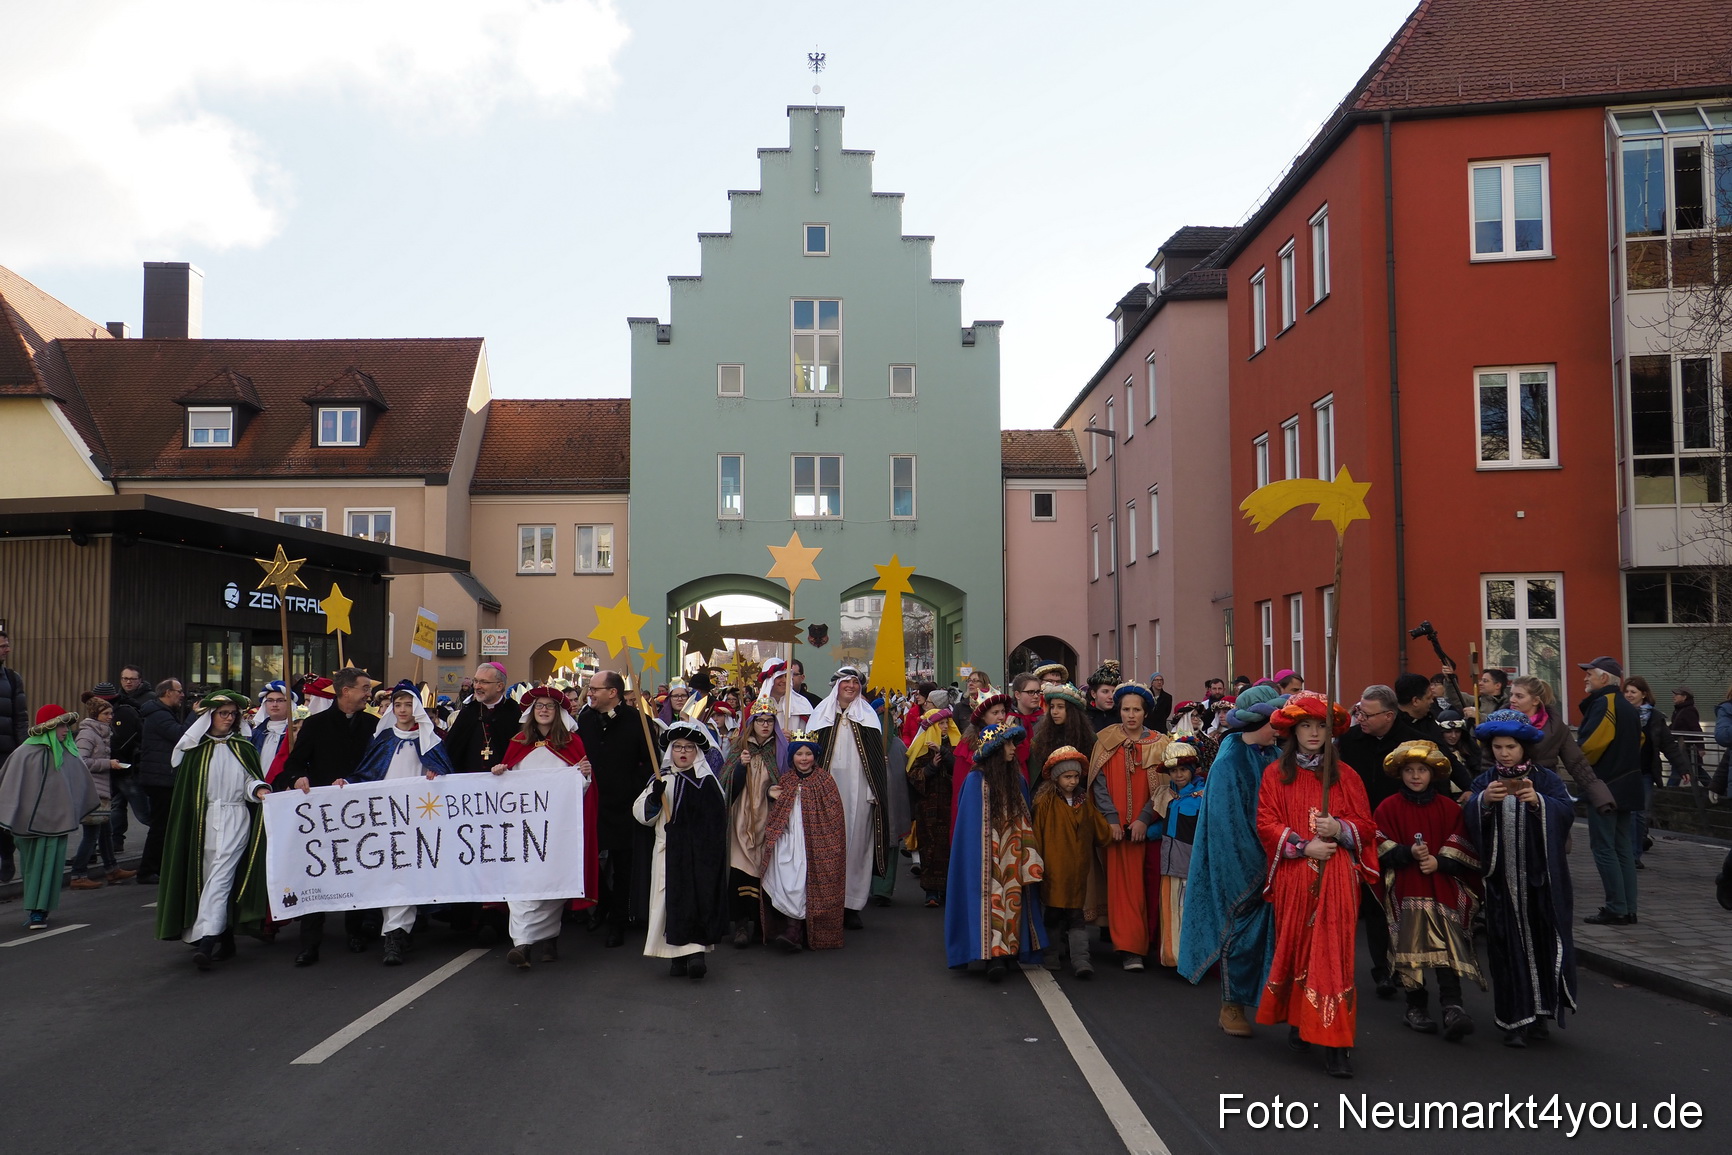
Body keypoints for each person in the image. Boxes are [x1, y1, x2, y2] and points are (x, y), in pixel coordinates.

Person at [1256, 691, 1377, 1079]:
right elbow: (1265, 822)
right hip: (1295, 877)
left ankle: (1337, 1044)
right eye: (1305, 726)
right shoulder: (1275, 774)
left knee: (1333, 956)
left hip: (1336, 877)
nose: (1312, 733)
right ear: (1293, 731)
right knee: (1298, 949)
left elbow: (1368, 826)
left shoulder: (1347, 776)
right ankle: (1299, 1019)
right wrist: (1302, 843)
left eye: (1320, 726)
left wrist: (1340, 829)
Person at [1463, 710, 1577, 1046]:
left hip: (1540, 884)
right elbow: (1467, 822)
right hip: (1500, 885)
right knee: (1506, 950)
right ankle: (1515, 1020)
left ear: (1524, 747)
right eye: (1497, 746)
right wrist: (1482, 804)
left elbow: (1567, 812)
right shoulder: (1484, 782)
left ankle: (1540, 1014)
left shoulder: (1545, 780)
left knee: (1542, 945)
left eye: (1510, 746)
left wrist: (1540, 803)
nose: (1503, 753)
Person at [1178, 685, 1285, 1037]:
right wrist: (1259, 866)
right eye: (1275, 723)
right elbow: (1227, 826)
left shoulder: (1273, 754)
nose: (1281, 730)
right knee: (1238, 934)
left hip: (1277, 860)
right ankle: (1231, 1005)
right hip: (1244, 865)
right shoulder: (1231, 760)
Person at [1373, 740, 1483, 1041]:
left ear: (1433, 773)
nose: (1416, 776)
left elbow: (1462, 842)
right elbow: (1378, 844)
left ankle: (1453, 1006)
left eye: (1422, 770)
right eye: (1409, 770)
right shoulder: (1388, 807)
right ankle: (1415, 1007)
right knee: (1411, 949)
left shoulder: (1448, 808)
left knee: (1446, 947)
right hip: (1406, 889)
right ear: (1400, 773)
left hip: (1440, 889)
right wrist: (1407, 852)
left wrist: (1440, 861)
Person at [155, 691, 272, 969]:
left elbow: (249, 781)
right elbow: (188, 789)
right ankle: (226, 938)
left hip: (235, 818)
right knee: (208, 876)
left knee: (220, 876)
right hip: (203, 820)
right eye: (224, 713)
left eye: (233, 714)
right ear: (210, 716)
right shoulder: (197, 751)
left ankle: (206, 940)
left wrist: (259, 788)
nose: (229, 718)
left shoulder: (243, 748)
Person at [349, 683, 455, 965]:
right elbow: (367, 773)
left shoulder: (430, 740)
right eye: (398, 705)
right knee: (387, 874)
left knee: (406, 874)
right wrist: (346, 784)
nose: (403, 710)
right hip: (384, 817)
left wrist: (437, 773)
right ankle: (393, 929)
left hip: (417, 818)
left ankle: (395, 934)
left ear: (416, 708)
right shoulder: (383, 739)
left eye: (408, 705)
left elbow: (446, 774)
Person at [277, 666, 376, 965]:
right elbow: (293, 765)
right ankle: (310, 943)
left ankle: (355, 931)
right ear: (346, 691)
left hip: (360, 814)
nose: (368, 695)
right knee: (316, 874)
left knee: (357, 869)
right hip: (323, 815)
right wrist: (297, 779)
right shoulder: (316, 725)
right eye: (365, 689)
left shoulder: (373, 725)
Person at [492, 685, 594, 969]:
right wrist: (500, 773)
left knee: (552, 886)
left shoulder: (572, 743)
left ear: (559, 712)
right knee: (522, 884)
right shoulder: (517, 744)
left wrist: (584, 776)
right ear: (531, 712)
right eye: (539, 706)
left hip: (557, 828)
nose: (544, 710)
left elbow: (582, 789)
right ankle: (522, 944)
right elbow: (506, 788)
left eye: (550, 705)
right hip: (523, 829)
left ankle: (549, 938)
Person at [1335, 683, 1418, 998]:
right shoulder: (1350, 741)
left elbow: (1446, 765)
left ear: (1389, 715)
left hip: (1400, 830)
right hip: (1361, 831)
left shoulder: (1410, 739)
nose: (1361, 719)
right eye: (1359, 712)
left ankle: (1406, 965)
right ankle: (1381, 970)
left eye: (1367, 715)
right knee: (1374, 903)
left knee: (1403, 902)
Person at [944, 722, 1044, 981]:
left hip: (1012, 852)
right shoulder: (975, 780)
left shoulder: (1017, 779)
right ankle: (992, 956)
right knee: (990, 900)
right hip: (986, 857)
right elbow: (970, 828)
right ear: (996, 750)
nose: (1014, 749)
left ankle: (1008, 950)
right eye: (1009, 744)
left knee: (1013, 900)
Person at [632, 720, 729, 979]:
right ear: (670, 751)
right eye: (677, 747)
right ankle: (674, 957)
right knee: (666, 901)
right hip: (667, 853)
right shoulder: (660, 779)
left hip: (697, 856)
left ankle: (696, 954)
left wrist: (695, 838)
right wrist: (654, 798)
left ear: (697, 752)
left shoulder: (706, 782)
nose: (683, 752)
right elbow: (641, 814)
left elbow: (716, 821)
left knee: (697, 900)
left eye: (688, 747)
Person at [1087, 681, 1170, 971]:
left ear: (1145, 713)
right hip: (1115, 829)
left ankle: (1151, 944)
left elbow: (1164, 787)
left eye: (1136, 710)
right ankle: (1129, 948)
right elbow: (1097, 782)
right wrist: (1110, 818)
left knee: (1147, 889)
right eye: (1125, 709)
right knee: (1122, 888)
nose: (1130, 715)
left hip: (1148, 829)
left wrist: (1144, 819)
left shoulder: (1160, 744)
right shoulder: (1105, 740)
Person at [578, 670, 659, 948]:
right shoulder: (585, 719)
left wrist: (632, 788)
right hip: (590, 801)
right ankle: (604, 902)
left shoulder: (638, 722)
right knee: (585, 855)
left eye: (594, 689)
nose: (590, 693)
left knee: (624, 865)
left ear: (612, 693)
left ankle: (618, 921)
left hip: (624, 805)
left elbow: (651, 764)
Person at [0, 705, 98, 929]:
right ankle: (34, 909)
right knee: (33, 867)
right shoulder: (23, 753)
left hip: (57, 823)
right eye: (62, 725)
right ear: (49, 726)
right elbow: (8, 786)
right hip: (26, 826)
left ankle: (40, 911)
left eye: (66, 725)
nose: (66, 730)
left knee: (51, 868)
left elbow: (81, 782)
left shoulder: (67, 753)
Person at [808, 666, 891, 928]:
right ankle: (826, 903)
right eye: (847, 682)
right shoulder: (820, 715)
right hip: (828, 790)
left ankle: (851, 904)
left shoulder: (868, 718)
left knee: (857, 847)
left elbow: (876, 761)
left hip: (860, 792)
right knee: (828, 846)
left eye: (856, 683)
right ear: (837, 685)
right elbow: (810, 754)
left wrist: (873, 790)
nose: (851, 687)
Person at [760, 729, 847, 951]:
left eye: (809, 753)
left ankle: (803, 931)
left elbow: (834, 817)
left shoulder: (825, 781)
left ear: (815, 756)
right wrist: (770, 793)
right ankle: (793, 927)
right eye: (799, 754)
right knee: (789, 881)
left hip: (816, 844)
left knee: (809, 883)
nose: (804, 758)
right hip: (789, 841)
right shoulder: (786, 780)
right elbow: (776, 809)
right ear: (792, 757)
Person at [1576, 657, 1644, 926]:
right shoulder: (1626, 705)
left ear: (1605, 678)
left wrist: (1577, 765)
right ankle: (1628, 908)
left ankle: (1616, 907)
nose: (1586, 678)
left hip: (1605, 786)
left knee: (1605, 849)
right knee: (1622, 849)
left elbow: (1591, 745)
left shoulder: (1606, 703)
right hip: (1627, 784)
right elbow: (1639, 740)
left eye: (1589, 674)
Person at [1033, 746, 1109, 976]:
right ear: (1056, 777)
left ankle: (1081, 960)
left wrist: (1110, 833)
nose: (1072, 781)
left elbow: (1099, 829)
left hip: (1077, 871)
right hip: (1054, 871)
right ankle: (1051, 955)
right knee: (1053, 914)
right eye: (1067, 776)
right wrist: (1036, 862)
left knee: (1076, 917)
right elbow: (1037, 834)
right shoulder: (1045, 802)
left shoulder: (1083, 801)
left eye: (1076, 776)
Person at [722, 699, 785, 945]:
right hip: (741, 819)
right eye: (760, 720)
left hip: (767, 819)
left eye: (770, 721)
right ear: (752, 723)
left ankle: (762, 923)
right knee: (740, 870)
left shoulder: (779, 749)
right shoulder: (740, 749)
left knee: (765, 871)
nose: (765, 725)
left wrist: (772, 792)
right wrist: (740, 767)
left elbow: (785, 780)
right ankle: (740, 924)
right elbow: (725, 782)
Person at [1508, 675, 1613, 813]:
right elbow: (1487, 762)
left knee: (1549, 832)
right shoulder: (1499, 722)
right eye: (1511, 694)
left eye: (1519, 696)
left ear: (1535, 701)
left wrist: (1602, 798)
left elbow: (1577, 763)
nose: (1512, 700)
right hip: (1508, 791)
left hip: (1543, 792)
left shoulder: (1555, 727)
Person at [905, 691, 961, 908]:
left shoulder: (957, 747)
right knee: (929, 847)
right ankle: (931, 891)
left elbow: (961, 771)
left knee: (950, 847)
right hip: (927, 807)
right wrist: (930, 768)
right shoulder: (922, 747)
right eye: (941, 724)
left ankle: (949, 888)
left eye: (948, 723)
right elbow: (913, 775)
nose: (945, 727)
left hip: (950, 805)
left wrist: (945, 757)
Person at [71, 694, 131, 888]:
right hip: (92, 791)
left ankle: (112, 869)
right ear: (96, 715)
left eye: (111, 713)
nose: (110, 716)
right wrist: (108, 763)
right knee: (92, 833)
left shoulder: (101, 733)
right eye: (106, 713)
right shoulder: (88, 734)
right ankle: (78, 874)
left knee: (106, 831)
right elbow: (81, 761)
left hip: (100, 790)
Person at [1154, 742, 1205, 969]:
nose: (1178, 774)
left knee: (1189, 914)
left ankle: (1191, 961)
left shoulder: (1203, 797)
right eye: (1174, 771)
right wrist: (1140, 832)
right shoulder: (1168, 796)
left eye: (1183, 770)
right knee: (1170, 913)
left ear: (1193, 770)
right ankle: (1173, 958)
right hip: (1169, 867)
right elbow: (1162, 826)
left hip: (1190, 867)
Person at [1622, 675, 1678, 868]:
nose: (1629, 695)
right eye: (1626, 691)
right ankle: (1628, 853)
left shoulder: (1655, 717)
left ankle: (1635, 855)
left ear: (1643, 694)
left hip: (1645, 771)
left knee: (1640, 814)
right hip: (1623, 771)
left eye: (1633, 692)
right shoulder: (1619, 713)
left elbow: (1668, 744)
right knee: (1628, 813)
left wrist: (1682, 766)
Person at [135, 678, 187, 885]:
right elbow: (181, 736)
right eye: (179, 691)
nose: (182, 694)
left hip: (161, 776)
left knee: (163, 825)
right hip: (160, 778)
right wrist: (195, 715)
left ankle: (155, 867)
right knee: (160, 826)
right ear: (167, 693)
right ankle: (148, 870)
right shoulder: (159, 715)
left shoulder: (161, 713)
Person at [107, 667, 151, 856]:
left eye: (132, 679)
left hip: (134, 764)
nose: (128, 682)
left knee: (143, 811)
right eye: (125, 678)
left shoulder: (148, 699)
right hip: (118, 764)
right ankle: (116, 842)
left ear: (140, 680)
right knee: (117, 804)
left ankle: (164, 834)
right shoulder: (116, 700)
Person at [446, 662, 518, 773]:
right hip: (470, 785)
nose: (477, 686)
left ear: (499, 686)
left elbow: (520, 755)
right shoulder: (468, 713)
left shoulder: (514, 713)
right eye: (475, 681)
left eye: (483, 682)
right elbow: (451, 750)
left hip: (504, 785)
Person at [1028, 682, 1095, 787]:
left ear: (1072, 711)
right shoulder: (1041, 739)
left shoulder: (1088, 738)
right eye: (1052, 707)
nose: (1054, 712)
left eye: (1060, 707)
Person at [0, 627, 24, 884]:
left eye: (7, 645)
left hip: (5, 755)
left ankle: (7, 856)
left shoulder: (12, 678)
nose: (7, 649)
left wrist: (23, 752)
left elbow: (20, 718)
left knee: (3, 812)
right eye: (3, 645)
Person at [250, 681, 298, 786]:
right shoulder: (255, 734)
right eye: (270, 700)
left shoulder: (296, 733)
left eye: (280, 700)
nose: (274, 705)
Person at [757, 658, 813, 733]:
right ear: (769, 681)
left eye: (786, 676)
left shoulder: (802, 704)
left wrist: (793, 739)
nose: (785, 680)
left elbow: (810, 737)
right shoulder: (755, 709)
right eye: (779, 677)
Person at [1668, 687, 1702, 786]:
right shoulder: (1679, 710)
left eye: (1676, 694)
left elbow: (1696, 728)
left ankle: (1667, 793)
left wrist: (1700, 747)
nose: (1673, 696)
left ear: (1684, 697)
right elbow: (1674, 726)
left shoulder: (1688, 711)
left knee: (1678, 769)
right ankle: (1713, 789)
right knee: (1696, 771)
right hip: (1681, 747)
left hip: (1686, 748)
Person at [1084, 660, 1121, 733]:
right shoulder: (1084, 717)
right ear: (1093, 694)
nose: (1111, 696)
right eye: (1105, 692)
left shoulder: (1121, 716)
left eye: (1114, 692)